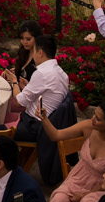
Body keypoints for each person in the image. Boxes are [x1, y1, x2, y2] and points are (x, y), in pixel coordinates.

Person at [6, 31, 73, 187]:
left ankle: (9, 172)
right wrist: (28, 87)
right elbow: (47, 94)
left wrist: (14, 82)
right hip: (45, 121)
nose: (32, 54)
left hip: (34, 126)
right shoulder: (61, 72)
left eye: (34, 51)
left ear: (40, 52)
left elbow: (20, 102)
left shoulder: (42, 73)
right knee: (6, 111)